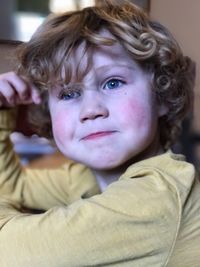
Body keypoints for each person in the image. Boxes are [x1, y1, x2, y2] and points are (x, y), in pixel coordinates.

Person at [0, 1, 199, 266]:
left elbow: (8, 252)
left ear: (161, 95)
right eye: (69, 93)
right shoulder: (86, 178)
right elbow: (13, 188)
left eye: (113, 82)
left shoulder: (157, 197)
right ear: (49, 110)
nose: (91, 110)